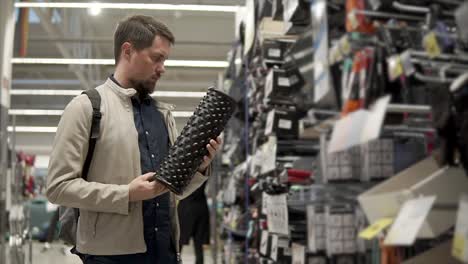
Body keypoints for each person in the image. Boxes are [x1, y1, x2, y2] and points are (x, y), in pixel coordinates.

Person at [46, 15, 222, 264]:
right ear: (128, 50)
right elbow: (57, 188)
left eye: (165, 60)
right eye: (156, 57)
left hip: (166, 253)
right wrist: (126, 194)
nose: (162, 68)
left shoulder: (162, 116)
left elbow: (171, 191)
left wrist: (201, 167)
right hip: (110, 256)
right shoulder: (86, 108)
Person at [178, 181, 210, 264]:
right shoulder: (204, 169)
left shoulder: (184, 170)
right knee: (198, 244)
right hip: (200, 207)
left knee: (178, 243)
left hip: (186, 207)